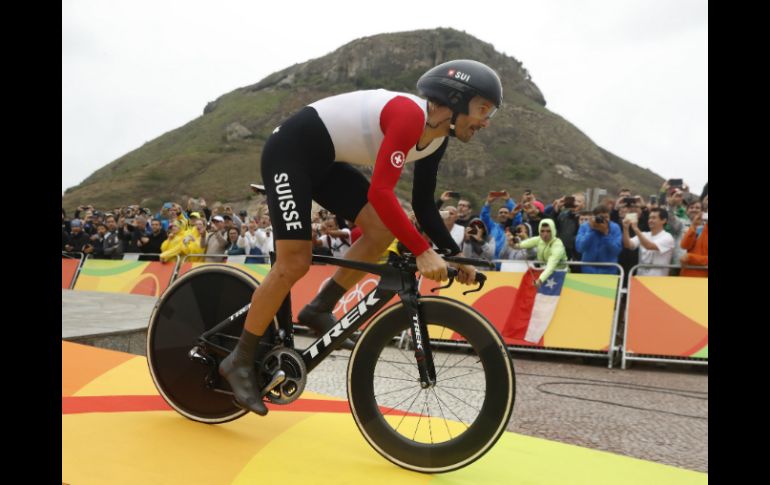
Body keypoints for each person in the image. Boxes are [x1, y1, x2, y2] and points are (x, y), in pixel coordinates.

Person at [218, 59, 503, 415]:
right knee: (295, 262)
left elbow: (423, 206)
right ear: (456, 101)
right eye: (482, 109)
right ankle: (239, 359)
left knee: (381, 231)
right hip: (290, 153)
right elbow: (382, 194)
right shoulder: (408, 115)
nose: (485, 122)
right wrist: (421, 250)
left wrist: (452, 254)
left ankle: (319, 307)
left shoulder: (436, 140)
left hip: (326, 162)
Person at [509, 219, 568, 287]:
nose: (545, 234)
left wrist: (540, 280)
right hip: (544, 275)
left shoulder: (558, 244)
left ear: (553, 231)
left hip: (561, 275)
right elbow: (521, 245)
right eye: (542, 231)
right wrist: (512, 244)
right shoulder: (538, 239)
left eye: (548, 231)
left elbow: (551, 265)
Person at [622, 208, 675, 276]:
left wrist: (636, 229)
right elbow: (627, 245)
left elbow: (649, 246)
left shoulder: (667, 237)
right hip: (641, 279)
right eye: (649, 218)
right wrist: (625, 228)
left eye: (654, 218)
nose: (650, 220)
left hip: (658, 280)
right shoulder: (644, 234)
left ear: (664, 220)